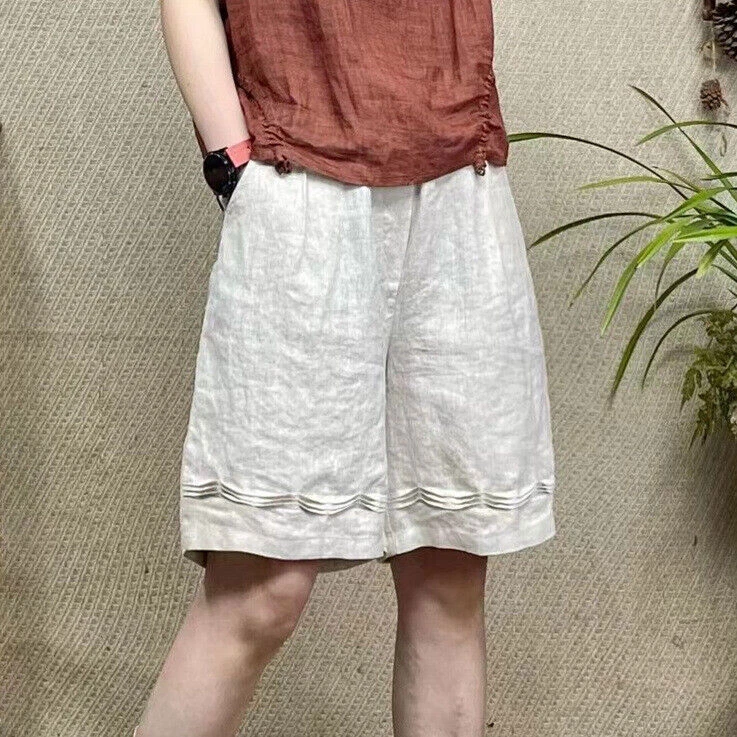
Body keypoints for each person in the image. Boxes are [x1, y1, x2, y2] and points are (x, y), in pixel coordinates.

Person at [135, 1, 556, 735]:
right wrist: (231, 162)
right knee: (260, 589)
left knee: (448, 575)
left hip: (462, 180)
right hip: (296, 170)